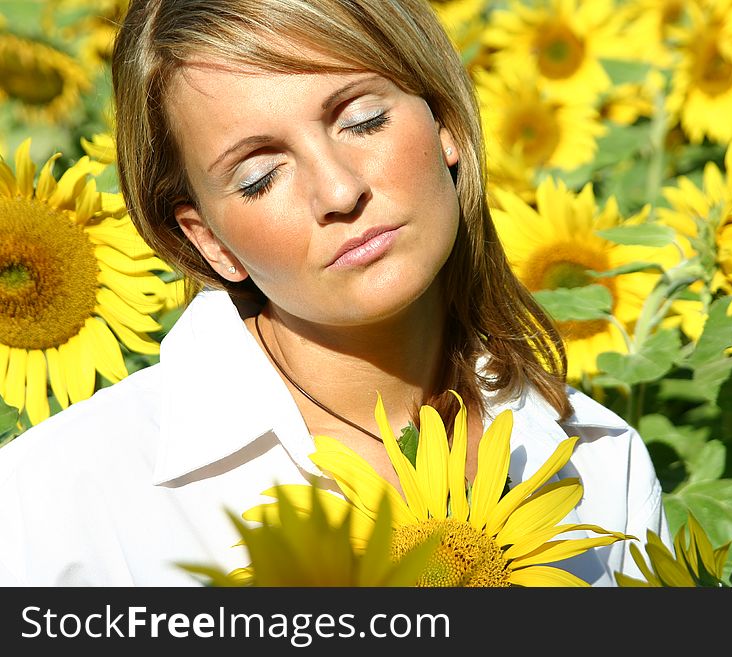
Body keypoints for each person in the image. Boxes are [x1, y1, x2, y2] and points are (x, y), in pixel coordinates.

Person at [0, 0, 670, 586]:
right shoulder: (57, 500)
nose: (340, 191)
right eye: (260, 176)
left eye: (363, 120)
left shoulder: (601, 466)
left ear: (446, 122)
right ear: (210, 241)